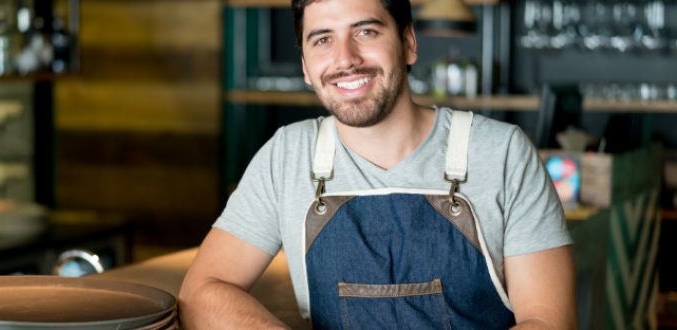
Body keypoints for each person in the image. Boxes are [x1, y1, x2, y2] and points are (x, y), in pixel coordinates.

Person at [179, 0, 577, 328]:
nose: (345, 59)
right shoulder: (288, 155)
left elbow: (549, 320)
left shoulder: (502, 152)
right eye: (322, 40)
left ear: (408, 43)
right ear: (304, 66)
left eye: (366, 32)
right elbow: (201, 291)